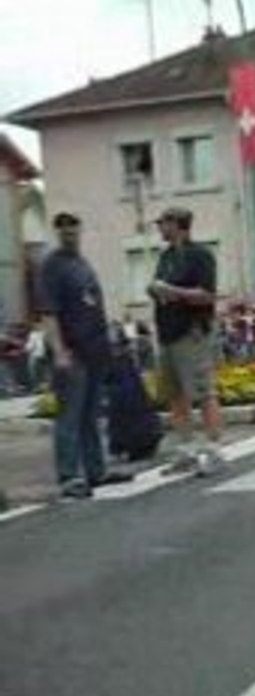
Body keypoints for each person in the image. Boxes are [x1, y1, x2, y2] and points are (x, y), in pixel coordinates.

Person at [35, 212, 131, 498]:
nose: (70, 236)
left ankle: (96, 470)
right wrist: (59, 351)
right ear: (57, 233)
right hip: (72, 352)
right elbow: (48, 313)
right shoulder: (52, 266)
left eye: (74, 231)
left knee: (91, 414)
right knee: (70, 416)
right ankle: (69, 476)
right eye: (64, 232)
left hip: (95, 350)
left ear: (80, 231)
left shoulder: (81, 263)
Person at [148, 206, 224, 476]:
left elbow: (207, 294)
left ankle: (213, 449)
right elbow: (160, 288)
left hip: (191, 332)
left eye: (163, 223)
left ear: (177, 224)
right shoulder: (166, 257)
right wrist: (156, 292)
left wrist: (172, 291)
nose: (159, 228)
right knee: (175, 395)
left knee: (203, 392)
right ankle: (187, 450)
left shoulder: (200, 255)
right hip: (167, 332)